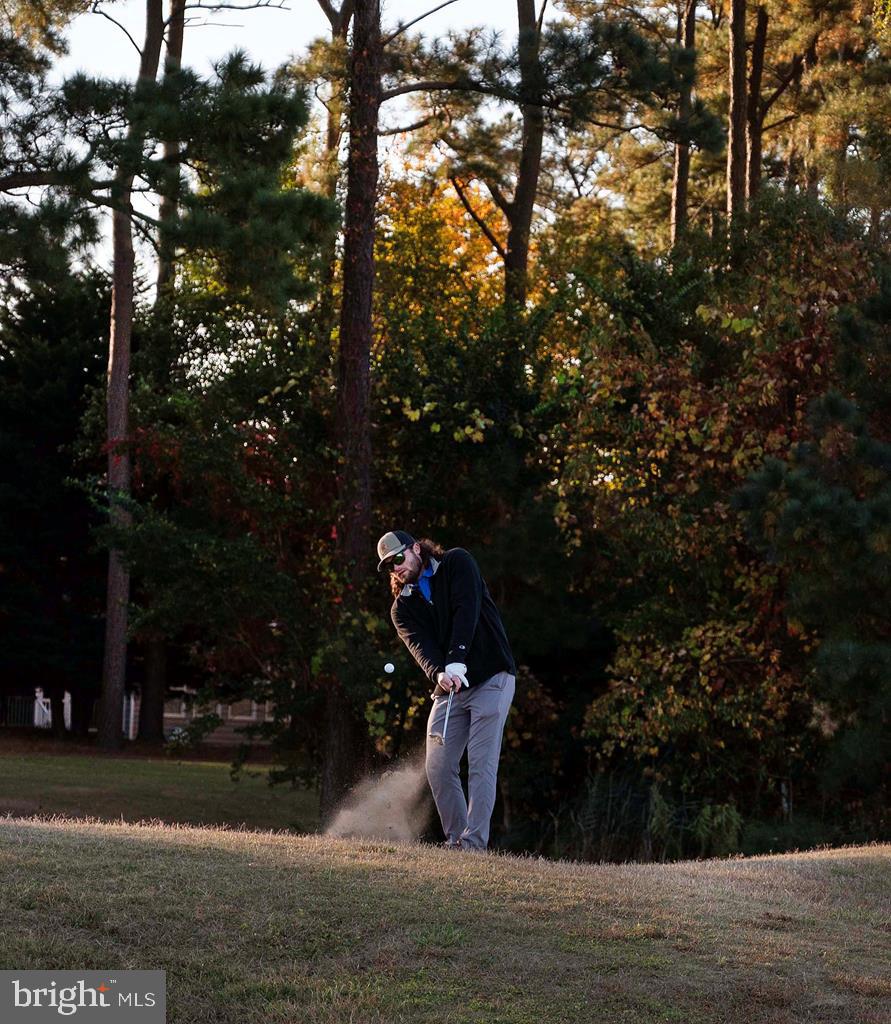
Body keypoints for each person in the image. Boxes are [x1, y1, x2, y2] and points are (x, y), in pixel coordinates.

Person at [377, 529, 516, 851]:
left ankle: (473, 845)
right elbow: (420, 648)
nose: (396, 568)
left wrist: (456, 659)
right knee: (438, 766)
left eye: (398, 559)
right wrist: (440, 672)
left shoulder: (457, 563)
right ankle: (456, 840)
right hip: (450, 688)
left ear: (415, 549)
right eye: (389, 566)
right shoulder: (403, 609)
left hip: (492, 677)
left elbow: (467, 610)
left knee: (481, 764)